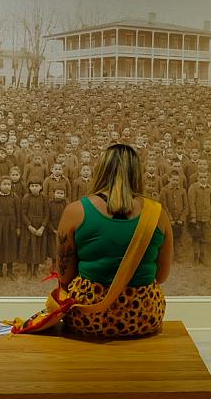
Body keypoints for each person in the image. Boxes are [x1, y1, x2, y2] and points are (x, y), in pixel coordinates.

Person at [55, 144, 173, 338]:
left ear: (101, 170)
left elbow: (64, 276)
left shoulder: (75, 211)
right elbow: (161, 276)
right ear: (137, 173)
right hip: (145, 316)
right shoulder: (158, 214)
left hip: (89, 318)